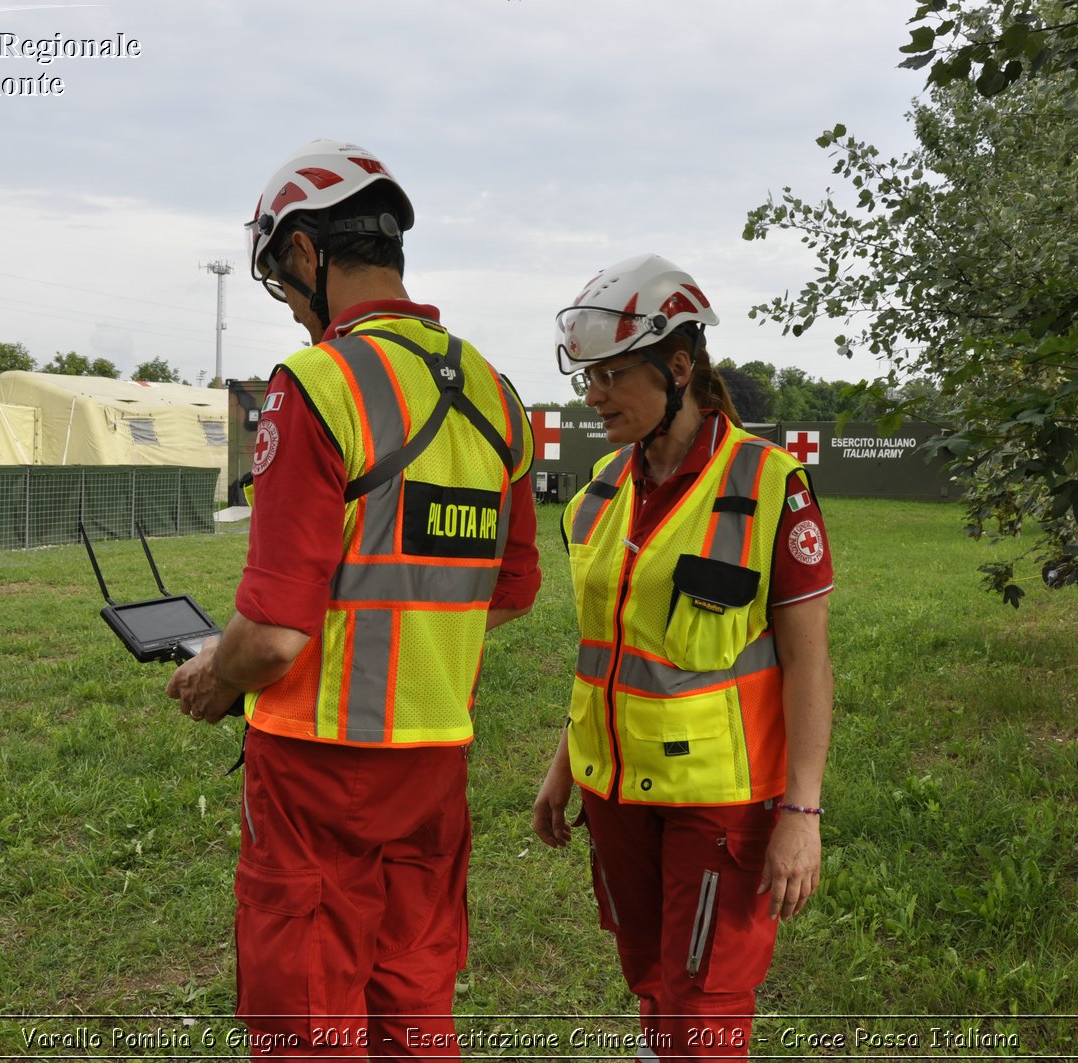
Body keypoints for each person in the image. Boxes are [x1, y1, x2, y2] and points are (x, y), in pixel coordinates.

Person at [167, 139, 540, 1057]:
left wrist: (218, 676)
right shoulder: (499, 395)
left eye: (284, 285)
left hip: (314, 774)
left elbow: (275, 636)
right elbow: (510, 588)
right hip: (434, 766)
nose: (294, 314)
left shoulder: (317, 388)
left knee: (307, 1021)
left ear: (306, 254)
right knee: (414, 1007)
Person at [531, 254, 834, 1060]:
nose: (591, 395)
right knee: (653, 977)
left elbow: (809, 663)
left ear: (679, 366)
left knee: (707, 1001)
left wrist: (801, 812)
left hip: (722, 804)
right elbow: (605, 649)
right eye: (588, 376)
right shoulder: (599, 489)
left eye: (610, 375)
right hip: (616, 791)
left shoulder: (772, 486)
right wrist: (565, 765)